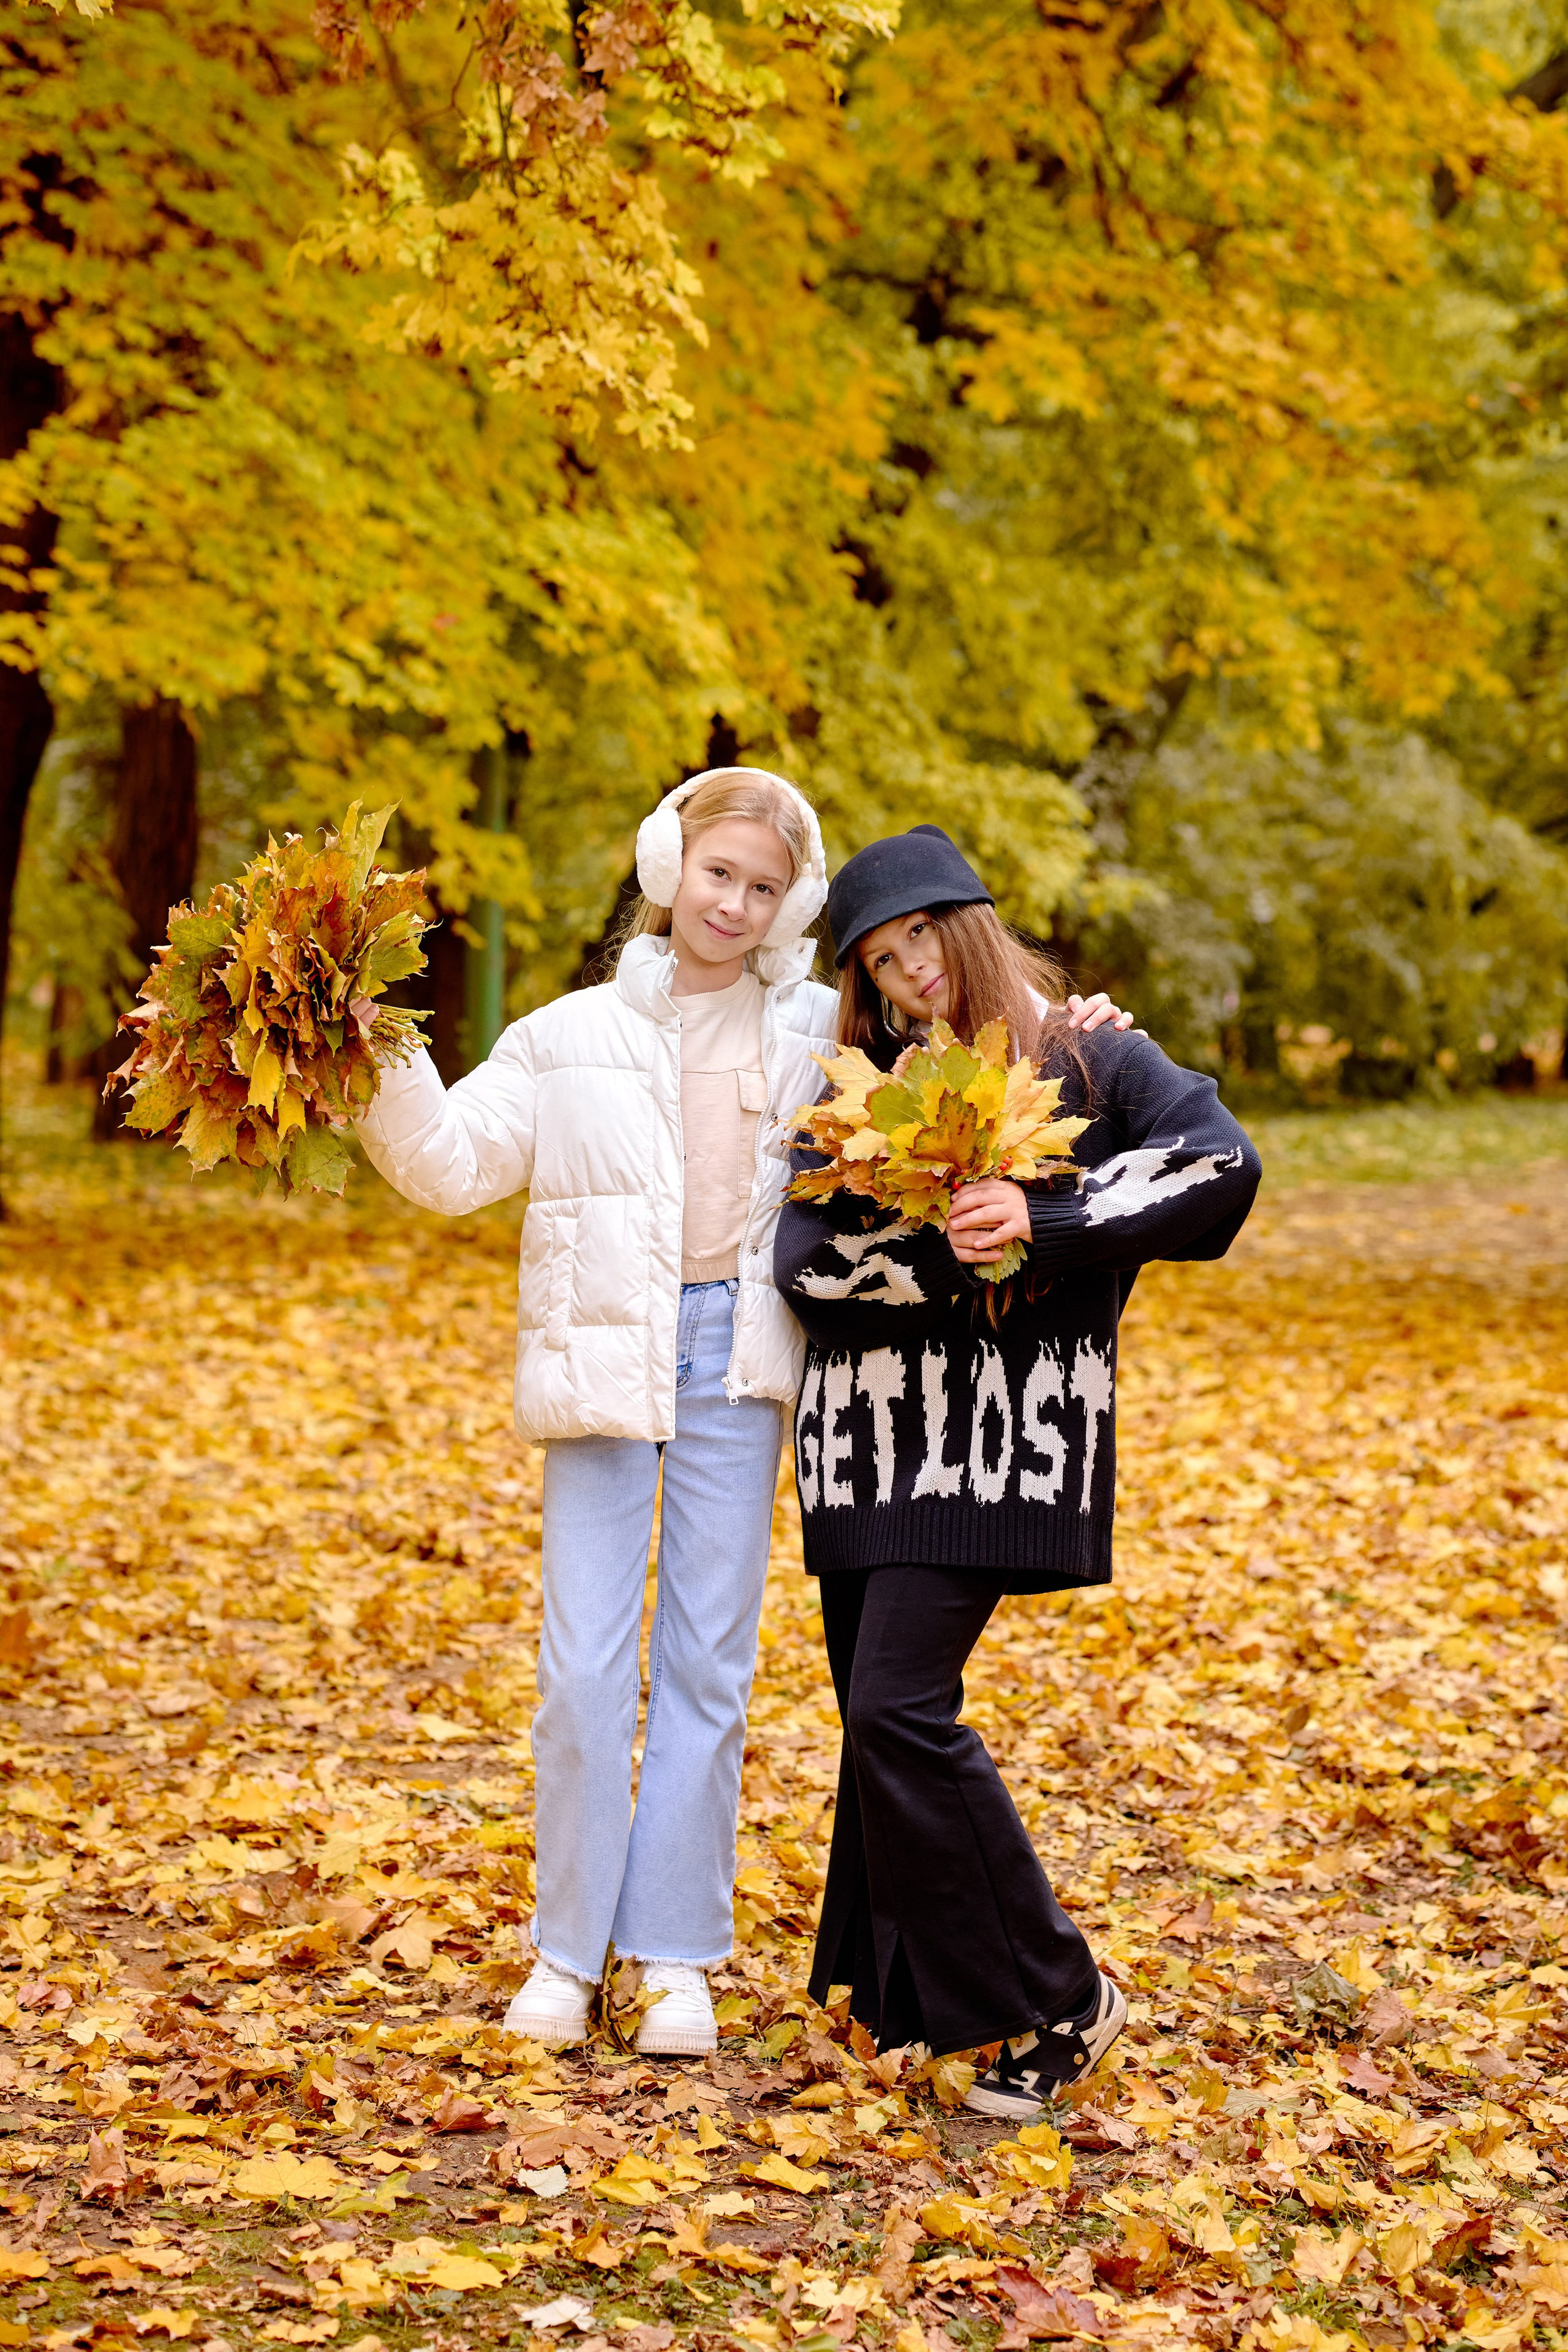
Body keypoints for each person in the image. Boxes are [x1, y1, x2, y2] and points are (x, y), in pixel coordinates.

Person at [357, 778, 1131, 2058]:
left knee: (708, 1667)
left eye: (764, 887)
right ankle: (565, 1952)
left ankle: (669, 1956)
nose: (734, 902)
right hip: (607, 1347)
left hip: (737, 1357)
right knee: (583, 1669)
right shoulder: (563, 1037)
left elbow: (967, 1056)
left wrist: (1070, 1020)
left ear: (791, 906)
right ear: (669, 866)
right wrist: (371, 1042)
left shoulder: (808, 1037)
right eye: (717, 872)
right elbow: (448, 1166)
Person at [772, 823, 1262, 2117]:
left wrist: (1041, 1224)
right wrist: (961, 1251)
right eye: (877, 961)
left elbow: (1220, 1169)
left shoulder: (1091, 1057)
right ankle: (904, 2000)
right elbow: (804, 1265)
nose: (904, 974)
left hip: (999, 1444)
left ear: (966, 924)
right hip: (868, 1445)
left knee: (895, 1709)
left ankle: (1057, 1995)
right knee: (871, 1723)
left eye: (919, 939)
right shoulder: (860, 1088)